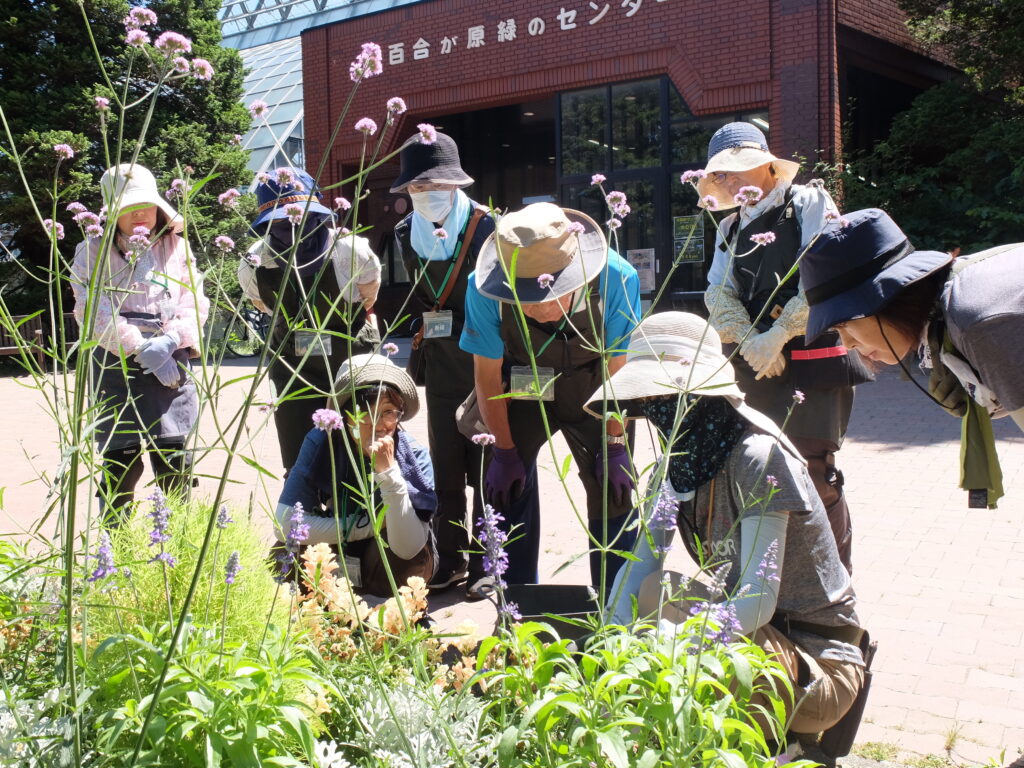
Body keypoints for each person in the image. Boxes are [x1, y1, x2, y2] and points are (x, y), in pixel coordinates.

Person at [593, 312, 867, 745]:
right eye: (648, 398)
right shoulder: (676, 465)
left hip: (817, 663)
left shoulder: (756, 456)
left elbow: (758, 599)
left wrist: (674, 643)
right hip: (757, 638)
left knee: (688, 649)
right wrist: (610, 644)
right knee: (653, 590)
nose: (658, 409)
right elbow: (639, 564)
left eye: (666, 395)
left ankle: (767, 745)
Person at [700, 121, 865, 573]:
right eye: (720, 175)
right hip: (755, 364)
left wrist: (779, 336)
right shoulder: (730, 225)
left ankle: (835, 582)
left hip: (814, 354)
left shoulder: (808, 201)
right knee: (760, 467)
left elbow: (825, 270)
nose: (729, 181)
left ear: (768, 165)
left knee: (814, 469)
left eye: (736, 169)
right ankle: (777, 581)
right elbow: (718, 291)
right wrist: (753, 342)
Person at [460, 201, 641, 591]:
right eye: (523, 298)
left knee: (614, 492)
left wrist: (614, 444)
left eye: (547, 295)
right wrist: (504, 450)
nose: (537, 309)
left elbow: (619, 369)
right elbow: (487, 374)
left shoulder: (617, 279)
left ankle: (615, 602)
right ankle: (514, 599)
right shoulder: (482, 288)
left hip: (597, 387)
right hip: (523, 385)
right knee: (505, 490)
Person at [391, 131, 539, 597]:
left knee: (489, 459)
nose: (427, 193)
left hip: (488, 357)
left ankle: (488, 561)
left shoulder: (491, 227)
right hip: (440, 361)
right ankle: (449, 557)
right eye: (418, 186)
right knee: (446, 464)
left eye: (437, 184)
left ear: (456, 184)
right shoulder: (403, 233)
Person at [801, 208, 1024, 506]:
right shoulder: (960, 298)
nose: (848, 344)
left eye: (844, 324)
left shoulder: (978, 325)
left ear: (890, 299)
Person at [71, 163, 209, 522]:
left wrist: (172, 339)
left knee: (174, 458)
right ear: (111, 213)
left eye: (144, 205)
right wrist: (137, 346)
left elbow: (195, 301)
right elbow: (90, 308)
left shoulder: (178, 246)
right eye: (127, 208)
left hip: (171, 356)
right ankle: (116, 543)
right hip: (114, 360)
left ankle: (177, 539)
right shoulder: (91, 251)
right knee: (121, 461)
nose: (138, 215)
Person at [241, 167, 382, 472]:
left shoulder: (351, 250)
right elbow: (264, 305)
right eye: (280, 222)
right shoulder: (254, 261)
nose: (291, 227)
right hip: (292, 367)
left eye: (300, 217)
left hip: (351, 362)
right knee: (300, 459)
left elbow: (368, 296)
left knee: (361, 454)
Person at [274, 353, 437, 596]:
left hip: (386, 557)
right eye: (365, 412)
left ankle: (396, 611)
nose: (379, 425)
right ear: (345, 415)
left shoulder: (413, 454)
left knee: (408, 559)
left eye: (389, 411)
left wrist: (389, 474)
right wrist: (367, 526)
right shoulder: (322, 442)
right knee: (283, 552)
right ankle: (321, 607)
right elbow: (285, 524)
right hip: (340, 542)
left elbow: (408, 548)